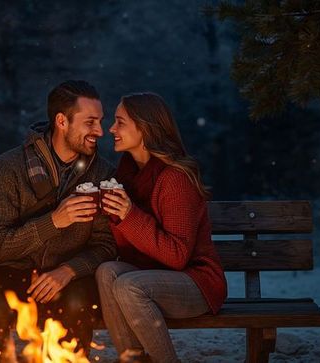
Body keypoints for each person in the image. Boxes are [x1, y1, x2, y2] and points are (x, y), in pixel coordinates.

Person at [0, 80, 116, 362]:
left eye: (101, 122)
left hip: (69, 277)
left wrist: (69, 270)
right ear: (62, 121)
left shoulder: (101, 173)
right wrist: (54, 221)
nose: (100, 131)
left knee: (80, 302)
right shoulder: (9, 167)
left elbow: (105, 246)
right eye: (90, 122)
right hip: (10, 270)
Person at [96, 92, 227, 363]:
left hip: (197, 282)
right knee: (107, 272)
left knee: (129, 286)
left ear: (144, 127)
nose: (111, 129)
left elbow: (177, 256)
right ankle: (132, 360)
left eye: (120, 122)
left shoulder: (174, 178)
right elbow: (127, 245)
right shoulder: (127, 175)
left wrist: (129, 215)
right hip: (152, 274)